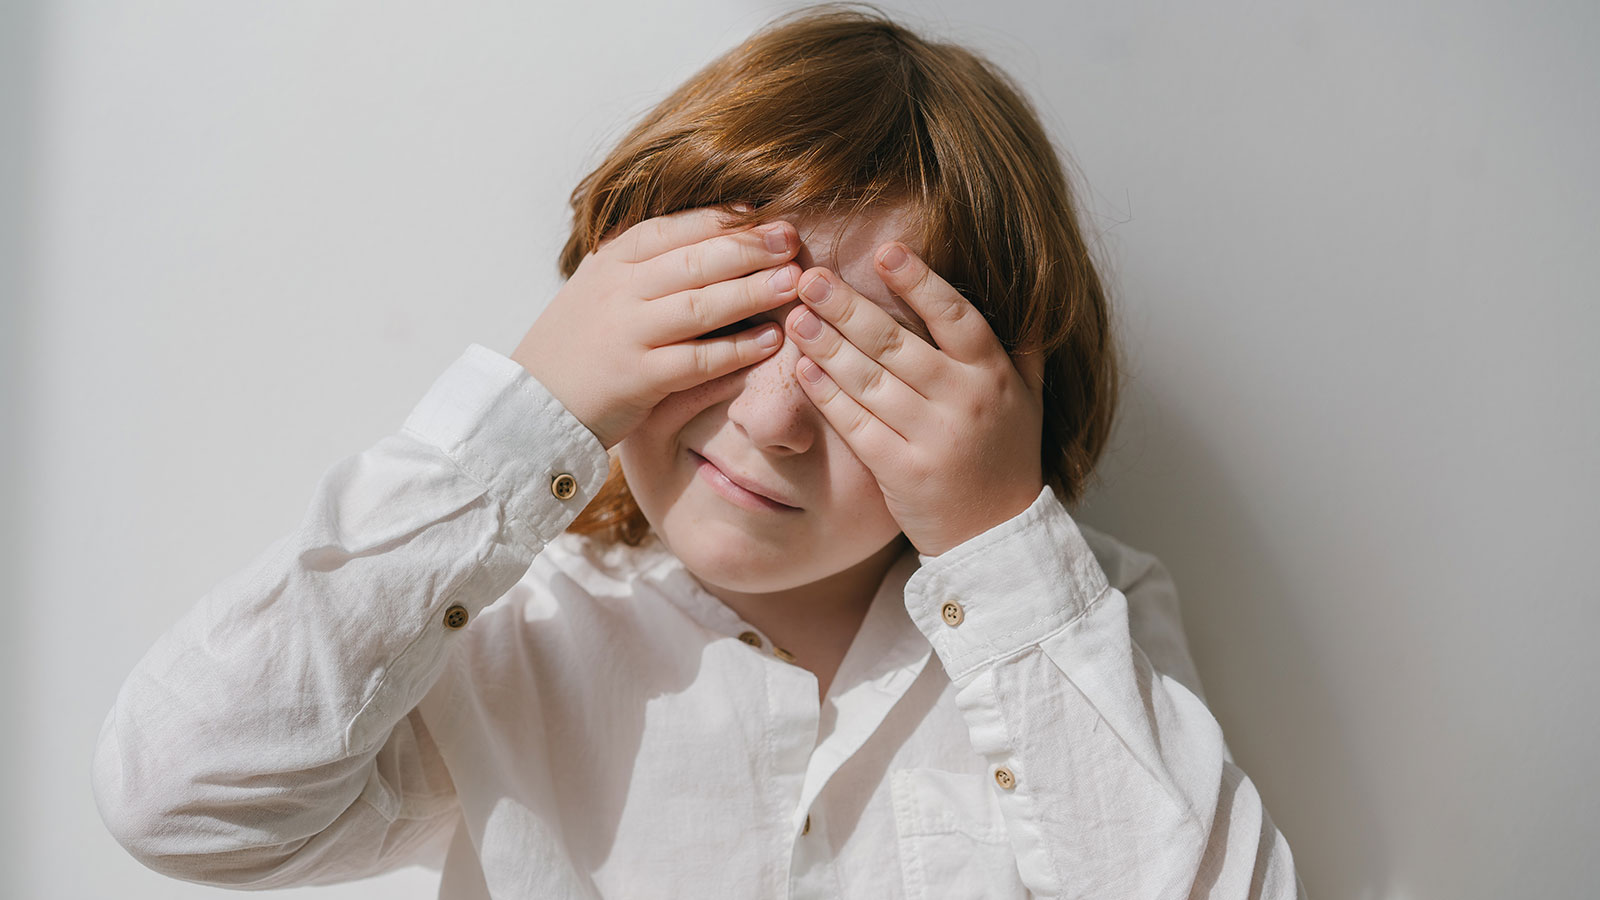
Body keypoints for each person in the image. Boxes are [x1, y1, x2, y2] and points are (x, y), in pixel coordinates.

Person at [92, 5, 1304, 897]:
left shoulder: (1079, 620)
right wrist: (534, 411)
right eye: (728, 325)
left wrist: (996, 542)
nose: (773, 420)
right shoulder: (517, 630)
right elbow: (184, 799)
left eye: (867, 369)